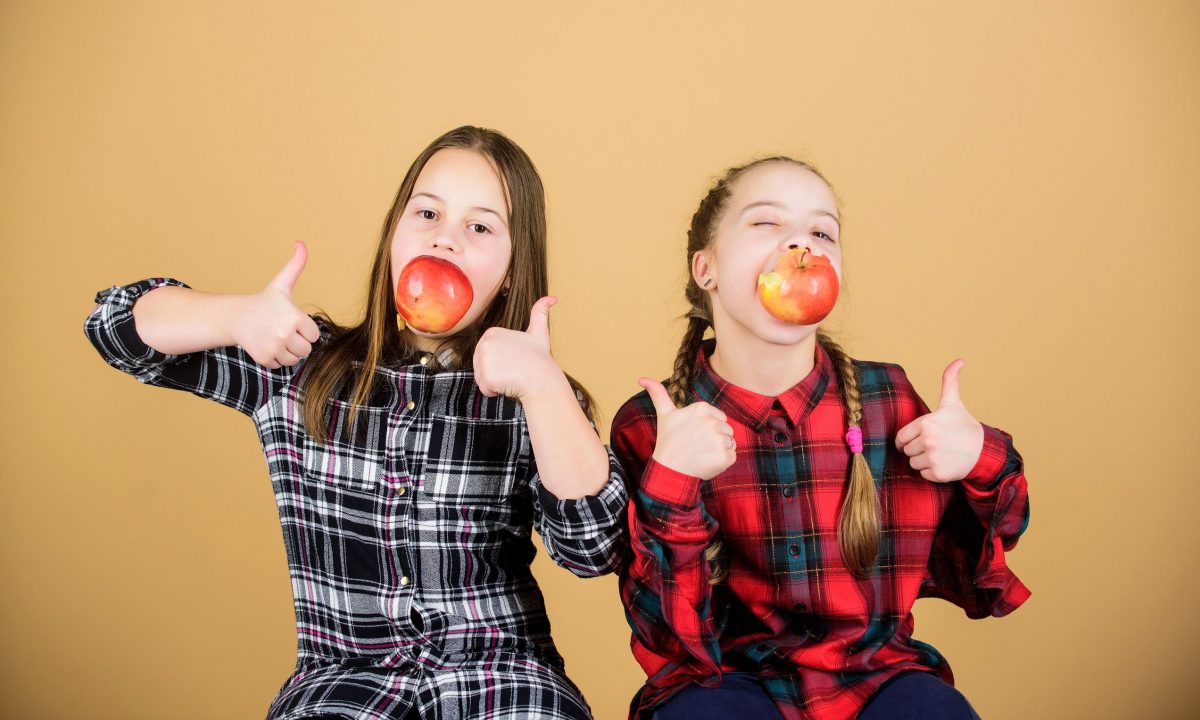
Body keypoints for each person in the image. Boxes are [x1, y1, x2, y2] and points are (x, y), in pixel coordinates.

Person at [84, 125, 627, 720]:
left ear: (511, 265)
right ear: (394, 234)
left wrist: (545, 389)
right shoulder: (299, 364)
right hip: (343, 681)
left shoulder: (536, 393)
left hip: (507, 676)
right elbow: (115, 330)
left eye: (479, 226)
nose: (445, 241)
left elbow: (592, 548)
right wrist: (236, 316)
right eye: (427, 213)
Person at [611, 156, 1030, 720]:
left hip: (881, 675)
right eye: (767, 224)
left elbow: (991, 543)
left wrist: (982, 456)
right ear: (705, 267)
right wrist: (674, 485)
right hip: (722, 682)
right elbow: (667, 638)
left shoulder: (889, 398)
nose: (800, 246)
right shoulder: (651, 424)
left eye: (821, 231)